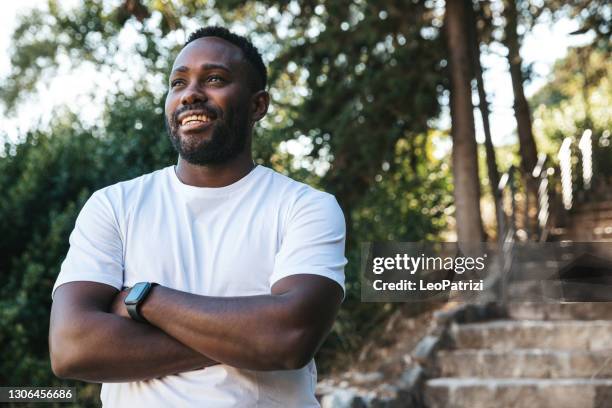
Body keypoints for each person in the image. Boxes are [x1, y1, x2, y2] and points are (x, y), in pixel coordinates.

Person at [49, 26, 346, 407]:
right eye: (178, 83)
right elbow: (72, 348)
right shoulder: (113, 205)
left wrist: (144, 300)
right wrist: (245, 338)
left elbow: (288, 340)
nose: (190, 93)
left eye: (215, 79)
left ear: (258, 105)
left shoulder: (305, 207)